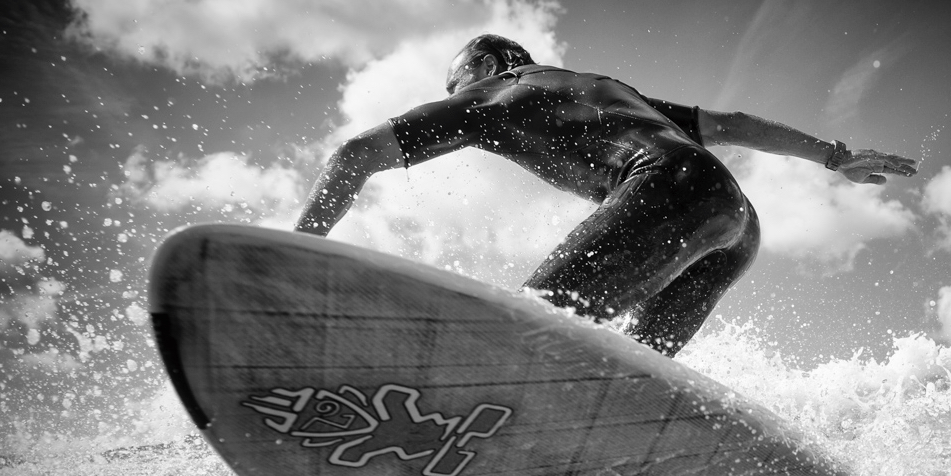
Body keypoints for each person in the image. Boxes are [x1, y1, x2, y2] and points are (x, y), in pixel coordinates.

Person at [295, 34, 916, 356]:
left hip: (669, 189)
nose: (455, 94)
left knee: (534, 332)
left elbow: (354, 155)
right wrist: (833, 158)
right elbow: (730, 125)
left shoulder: (486, 98)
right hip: (734, 224)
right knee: (620, 373)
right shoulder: (614, 91)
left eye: (455, 83)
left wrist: (297, 254)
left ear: (482, 68)